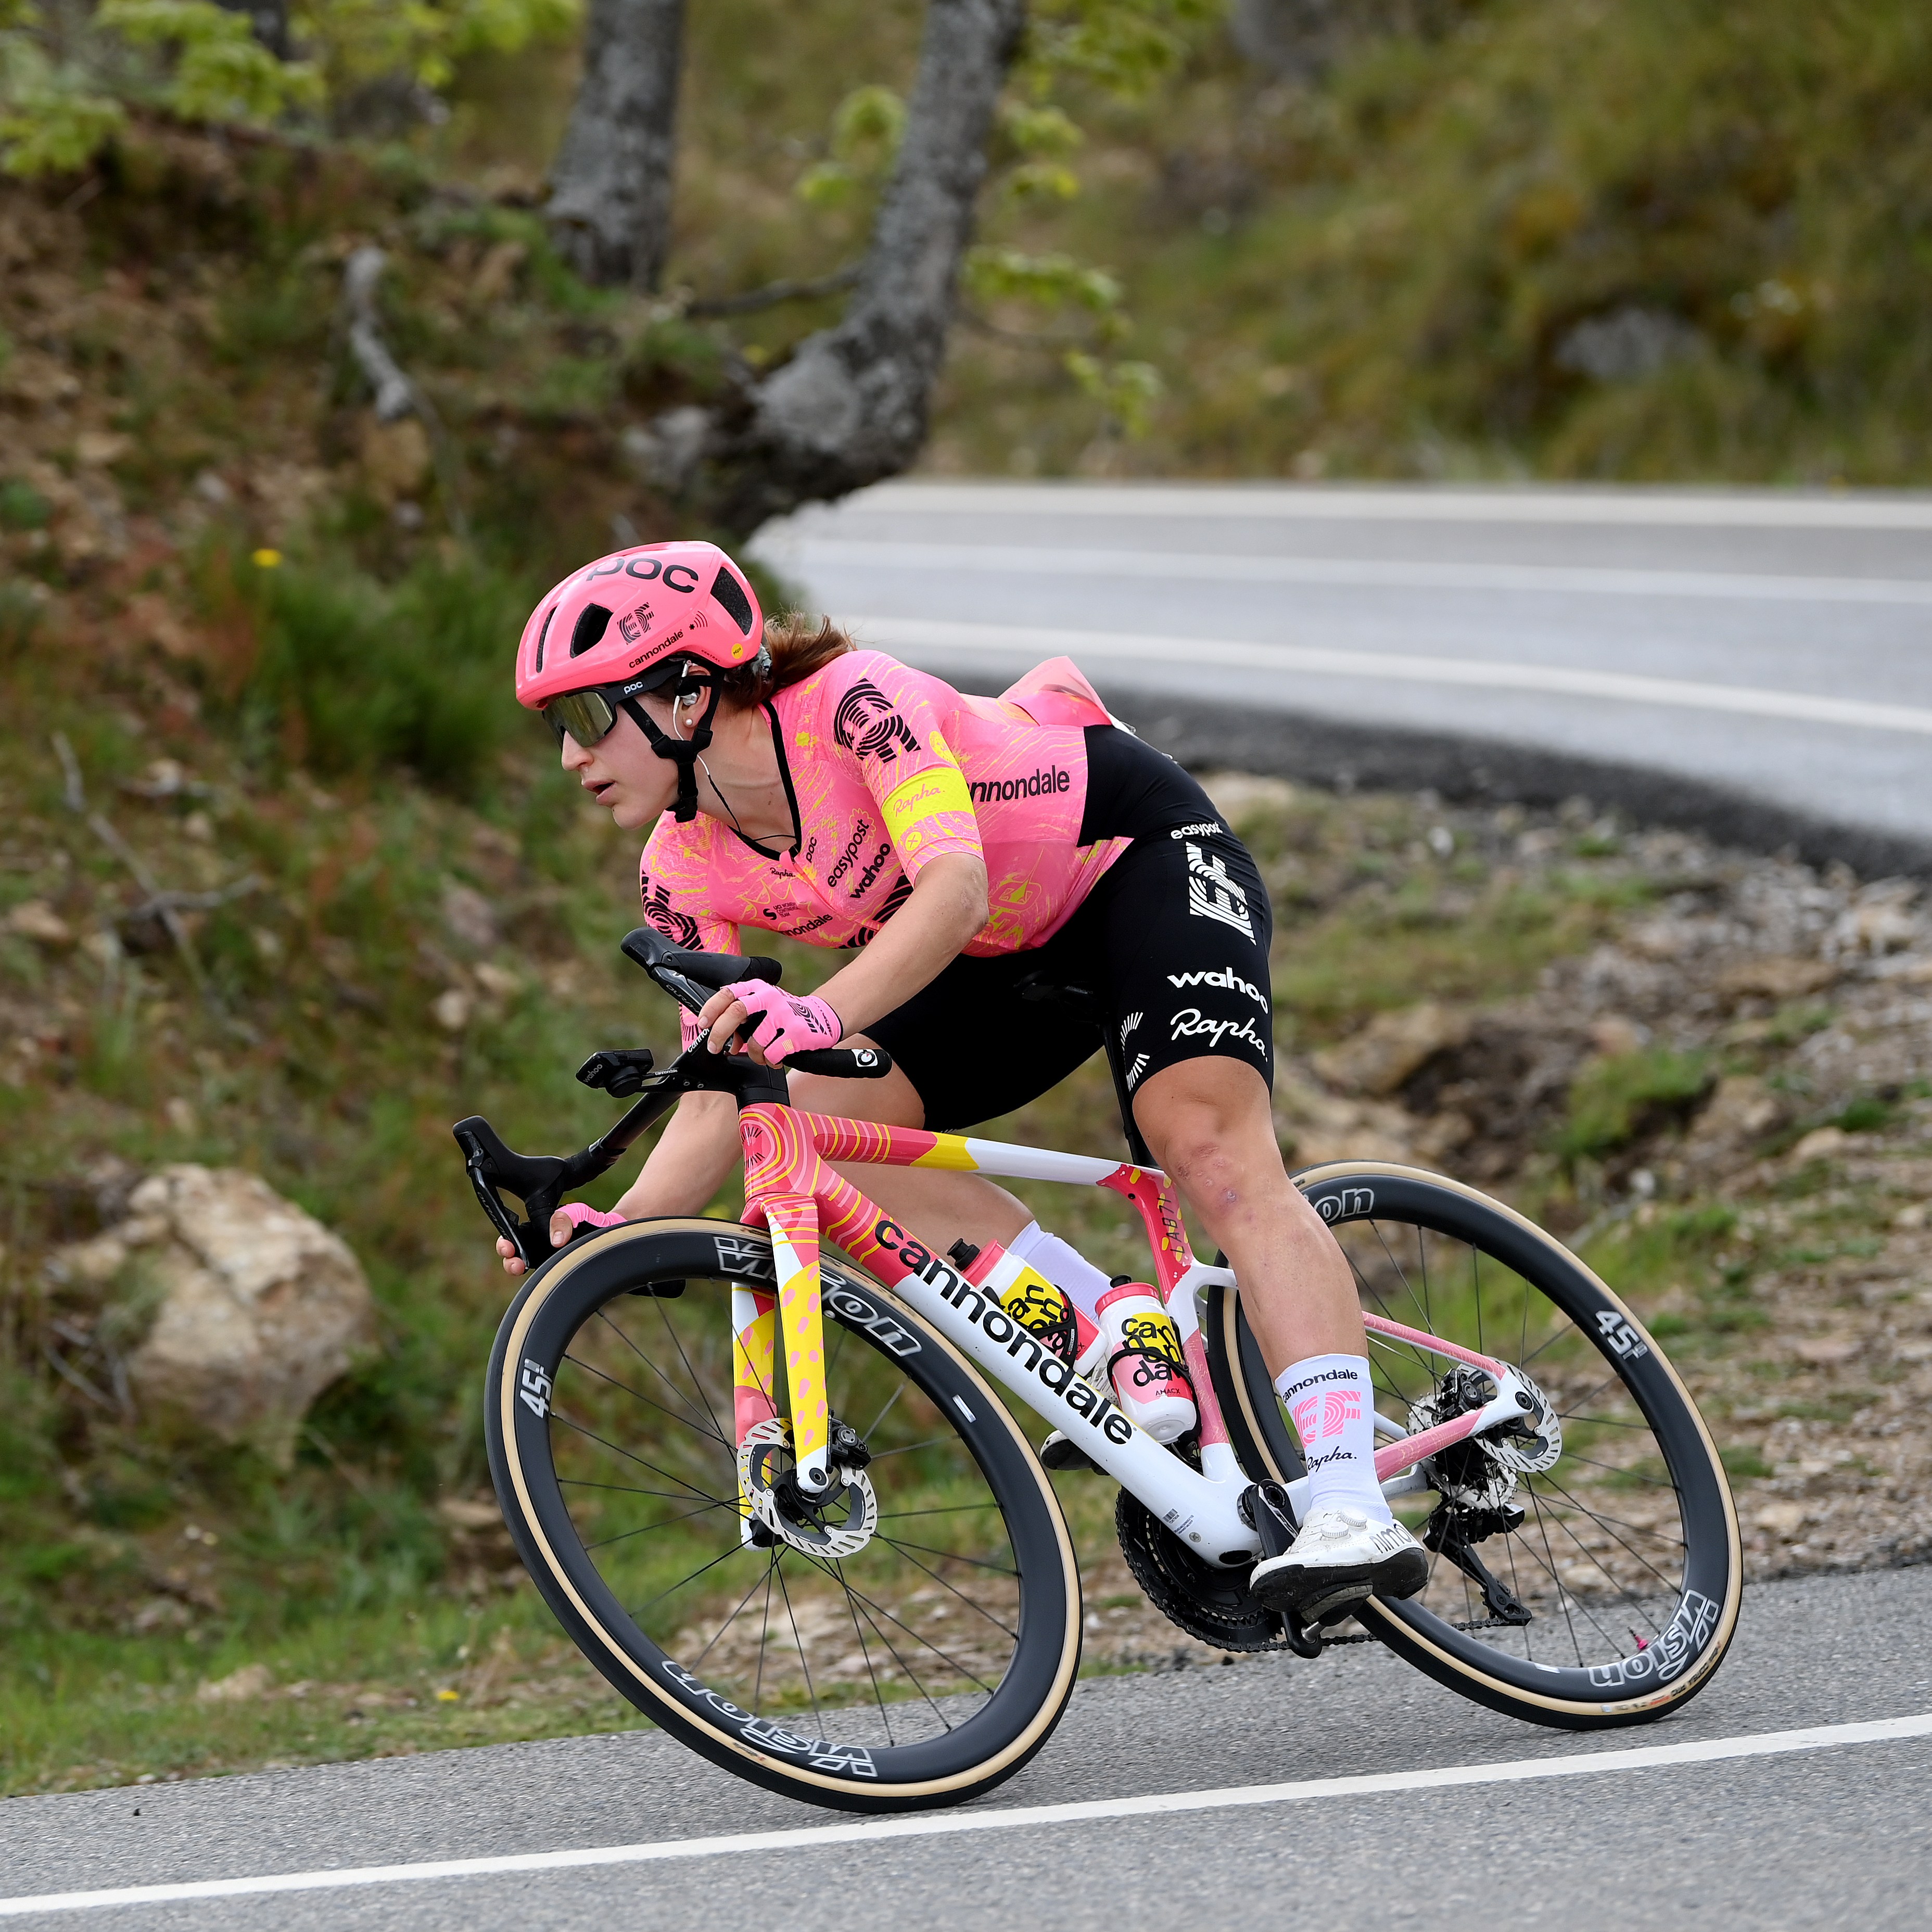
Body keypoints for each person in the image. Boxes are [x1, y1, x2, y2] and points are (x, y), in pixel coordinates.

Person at [499, 538, 1425, 1618]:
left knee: (1207, 1146)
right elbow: (723, 1075)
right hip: (998, 964)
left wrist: (821, 1008)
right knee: (810, 1125)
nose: (571, 757)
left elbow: (953, 887)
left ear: (683, 690)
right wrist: (618, 1226)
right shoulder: (679, 863)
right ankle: (1106, 1317)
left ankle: (1350, 1498)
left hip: (1130, 864)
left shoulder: (855, 704)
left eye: (583, 719)